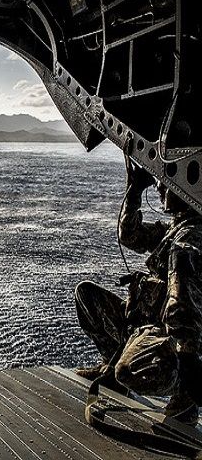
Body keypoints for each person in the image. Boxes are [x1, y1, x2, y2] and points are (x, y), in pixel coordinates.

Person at [74, 156, 202, 425]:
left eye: (165, 183)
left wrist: (189, 358)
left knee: (128, 372)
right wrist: (134, 190)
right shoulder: (174, 230)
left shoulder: (190, 238)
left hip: (171, 339)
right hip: (143, 325)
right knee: (86, 295)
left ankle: (184, 393)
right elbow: (129, 235)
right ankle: (111, 360)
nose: (159, 187)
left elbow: (182, 305)